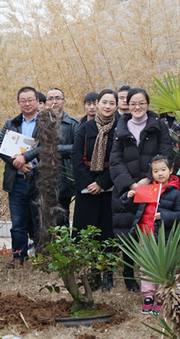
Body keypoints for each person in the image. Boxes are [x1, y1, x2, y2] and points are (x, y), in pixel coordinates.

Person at [110, 87, 173, 292]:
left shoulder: (158, 125)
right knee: (127, 229)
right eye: (133, 103)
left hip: (152, 186)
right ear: (127, 104)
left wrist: (148, 178)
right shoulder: (120, 127)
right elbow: (115, 159)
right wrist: (131, 184)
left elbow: (165, 153)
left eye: (142, 103)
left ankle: (153, 274)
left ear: (147, 104)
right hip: (127, 188)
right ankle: (129, 274)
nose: (137, 107)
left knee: (151, 230)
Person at [121, 155, 180, 314]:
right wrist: (128, 198)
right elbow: (134, 209)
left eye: (163, 169)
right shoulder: (147, 190)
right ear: (151, 174)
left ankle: (163, 295)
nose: (160, 174)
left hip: (164, 238)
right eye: (155, 171)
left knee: (164, 266)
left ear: (171, 170)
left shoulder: (176, 194)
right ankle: (148, 295)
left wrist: (164, 216)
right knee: (146, 265)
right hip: (146, 236)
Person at [72, 89, 119, 290]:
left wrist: (101, 182)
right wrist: (89, 183)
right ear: (97, 103)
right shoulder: (85, 128)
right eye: (104, 102)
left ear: (117, 106)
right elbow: (76, 158)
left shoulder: (120, 128)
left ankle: (108, 272)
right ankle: (91, 274)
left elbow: (119, 159)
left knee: (108, 233)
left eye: (112, 103)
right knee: (87, 233)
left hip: (110, 187)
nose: (107, 106)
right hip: (87, 189)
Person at [0, 86, 42, 268]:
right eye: (23, 101)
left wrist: (25, 157)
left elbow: (47, 146)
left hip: (40, 180)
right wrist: (18, 163)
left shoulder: (45, 123)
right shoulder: (11, 123)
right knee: (18, 222)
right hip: (16, 181)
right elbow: (1, 147)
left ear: (37, 101)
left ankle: (41, 258)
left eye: (30, 100)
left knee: (40, 221)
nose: (27, 103)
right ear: (18, 103)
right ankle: (18, 257)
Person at [46, 88, 81, 227]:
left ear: (64, 102)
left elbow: (77, 148)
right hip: (43, 176)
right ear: (45, 102)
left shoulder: (73, 124)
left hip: (64, 176)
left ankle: (63, 241)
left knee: (62, 218)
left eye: (58, 98)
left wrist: (53, 150)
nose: (54, 102)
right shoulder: (39, 123)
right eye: (50, 98)